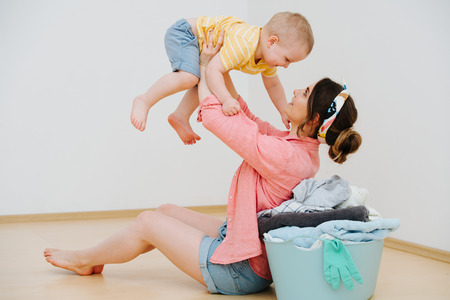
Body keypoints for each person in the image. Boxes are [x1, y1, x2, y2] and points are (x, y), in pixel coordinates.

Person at [44, 32, 361, 295]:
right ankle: (97, 258)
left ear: (315, 118)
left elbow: (214, 117)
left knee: (147, 222)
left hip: (238, 271)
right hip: (241, 240)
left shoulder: (285, 157)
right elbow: (247, 119)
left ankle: (85, 259)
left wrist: (207, 64)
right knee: (165, 211)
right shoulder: (298, 148)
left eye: (304, 92)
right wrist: (224, 67)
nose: (294, 90)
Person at [130, 12, 314, 145]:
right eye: (287, 59)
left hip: (204, 47)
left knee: (200, 78)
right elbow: (212, 71)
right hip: (186, 33)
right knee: (189, 77)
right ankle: (144, 100)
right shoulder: (243, 44)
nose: (286, 65)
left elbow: (273, 85)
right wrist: (226, 99)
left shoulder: (267, 61)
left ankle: (180, 116)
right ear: (271, 41)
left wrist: (282, 110)